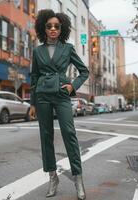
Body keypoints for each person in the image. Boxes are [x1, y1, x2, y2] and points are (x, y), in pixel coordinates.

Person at [29, 9, 89, 200]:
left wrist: (73, 86)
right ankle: (53, 177)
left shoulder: (68, 48)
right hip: (43, 96)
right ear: (43, 29)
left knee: (69, 134)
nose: (53, 29)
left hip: (62, 95)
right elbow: (34, 77)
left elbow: (84, 71)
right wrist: (32, 103)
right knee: (46, 137)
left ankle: (78, 179)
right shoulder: (37, 51)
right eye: (49, 26)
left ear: (61, 28)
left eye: (57, 26)